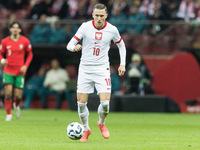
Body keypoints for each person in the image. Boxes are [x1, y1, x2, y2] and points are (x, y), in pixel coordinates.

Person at [67, 3, 126, 142]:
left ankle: (101, 123)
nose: (99, 18)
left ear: (106, 15)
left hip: (102, 69)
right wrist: (74, 48)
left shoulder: (112, 29)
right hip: (85, 69)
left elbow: (121, 45)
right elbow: (69, 45)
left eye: (101, 16)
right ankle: (86, 129)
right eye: (96, 15)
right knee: (81, 103)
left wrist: (122, 64)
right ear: (92, 15)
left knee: (105, 104)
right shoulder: (85, 27)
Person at [0, 21, 33, 121]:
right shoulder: (5, 41)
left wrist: (25, 66)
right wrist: (2, 60)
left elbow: (30, 54)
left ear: (19, 30)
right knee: (8, 93)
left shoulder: (25, 41)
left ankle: (16, 105)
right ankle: (8, 114)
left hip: (20, 71)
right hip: (8, 70)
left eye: (17, 28)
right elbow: (0, 53)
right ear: (10, 29)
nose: (15, 29)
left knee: (18, 96)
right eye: (13, 27)